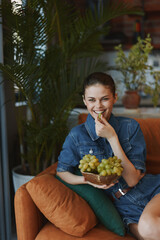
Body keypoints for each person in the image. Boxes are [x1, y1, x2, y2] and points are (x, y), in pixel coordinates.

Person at [56, 72, 160, 240]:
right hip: (123, 206)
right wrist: (87, 179)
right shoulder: (77, 135)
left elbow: (133, 180)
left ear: (114, 98)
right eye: (91, 100)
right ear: (84, 100)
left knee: (149, 227)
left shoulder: (130, 127)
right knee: (148, 234)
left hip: (151, 190)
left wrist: (112, 138)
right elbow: (62, 171)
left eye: (104, 98)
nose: (98, 106)